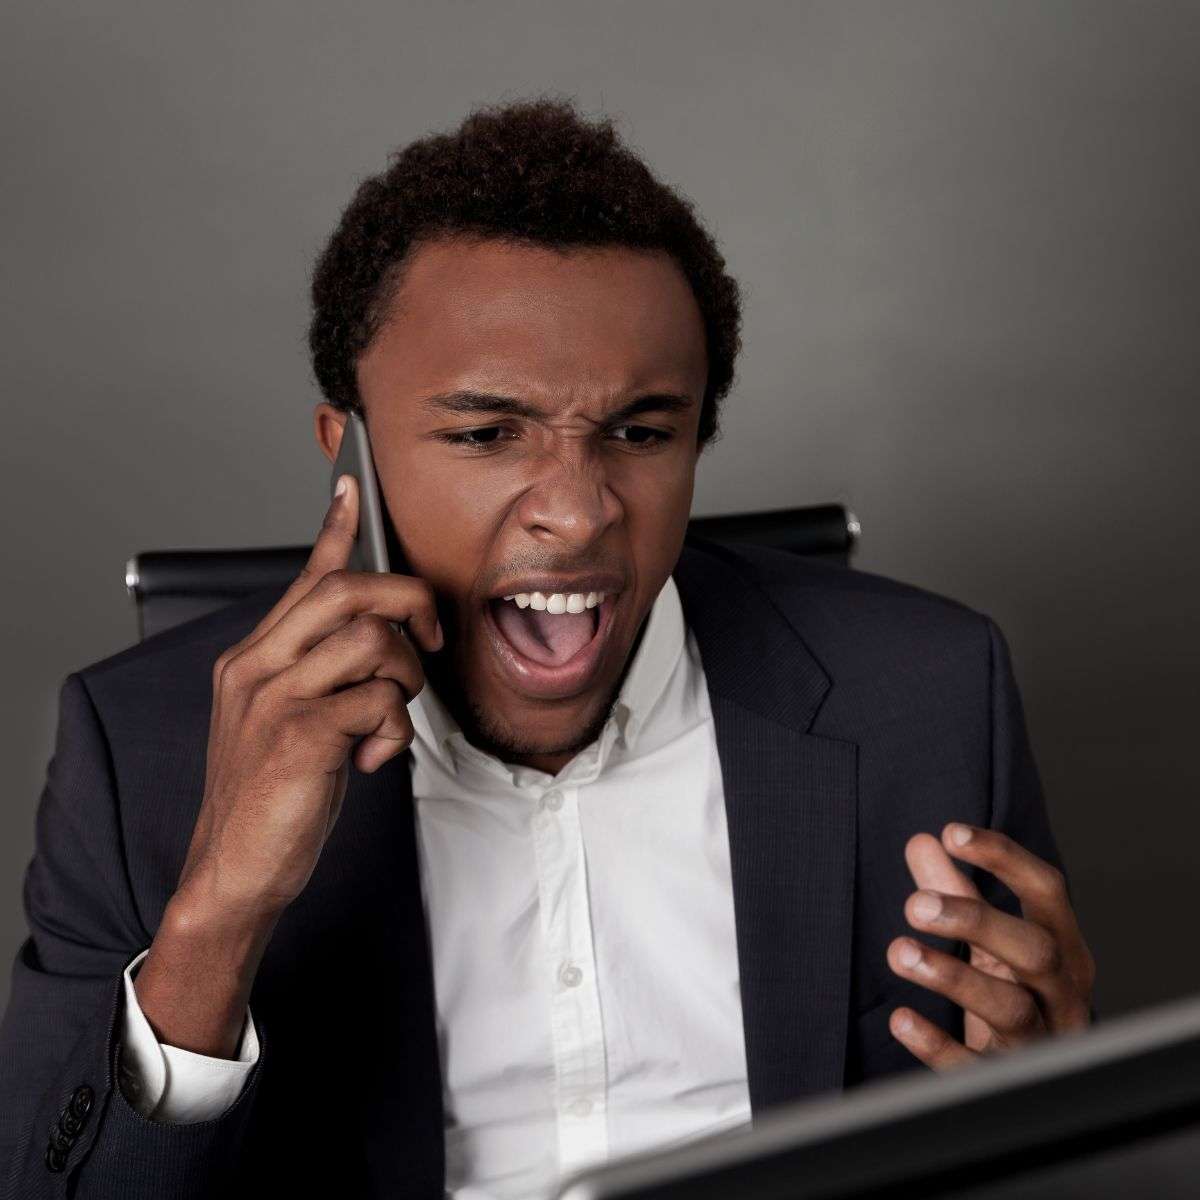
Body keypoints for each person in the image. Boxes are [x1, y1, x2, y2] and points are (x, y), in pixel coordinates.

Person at [0, 98, 1095, 1199]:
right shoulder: (139, 751)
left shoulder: (930, 694)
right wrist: (219, 912)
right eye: (485, 433)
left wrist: (1053, 1092)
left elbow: (1032, 1139)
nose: (578, 514)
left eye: (642, 432)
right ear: (350, 462)